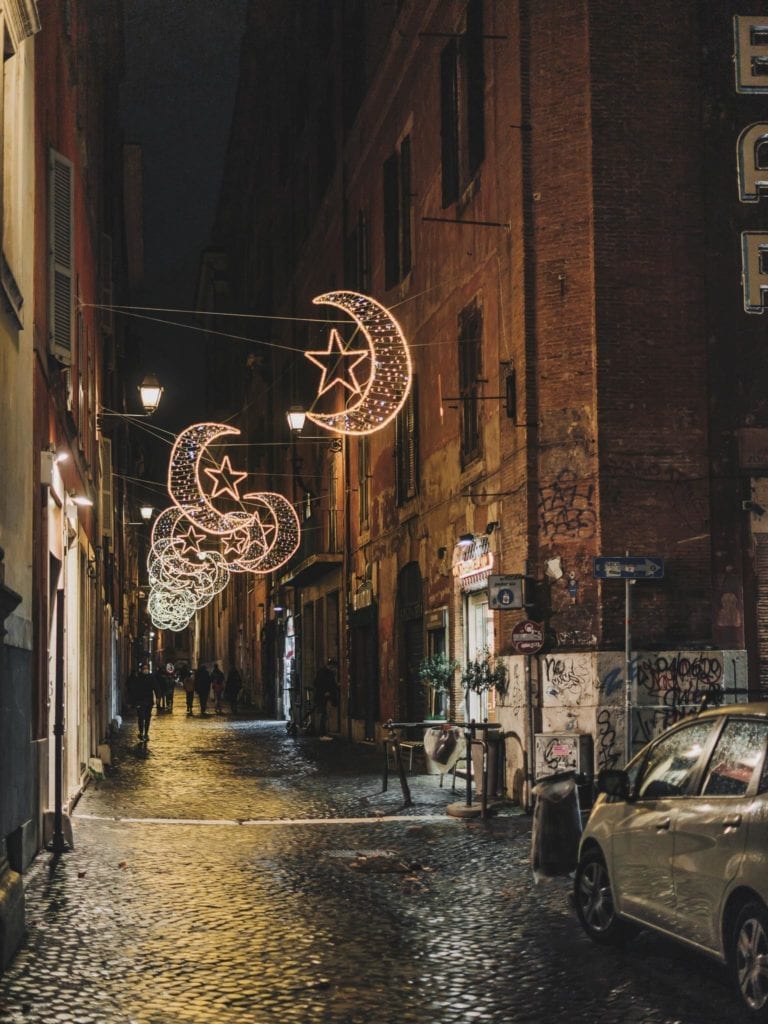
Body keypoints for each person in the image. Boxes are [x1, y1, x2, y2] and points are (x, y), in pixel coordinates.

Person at [127, 663, 155, 741]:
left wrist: (158, 696)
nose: (145, 670)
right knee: (141, 718)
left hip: (149, 702)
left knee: (147, 718)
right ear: (141, 669)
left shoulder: (151, 678)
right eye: (144, 668)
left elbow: (156, 687)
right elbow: (134, 691)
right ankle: (141, 732)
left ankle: (146, 733)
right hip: (140, 702)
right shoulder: (137, 679)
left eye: (147, 668)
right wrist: (132, 702)